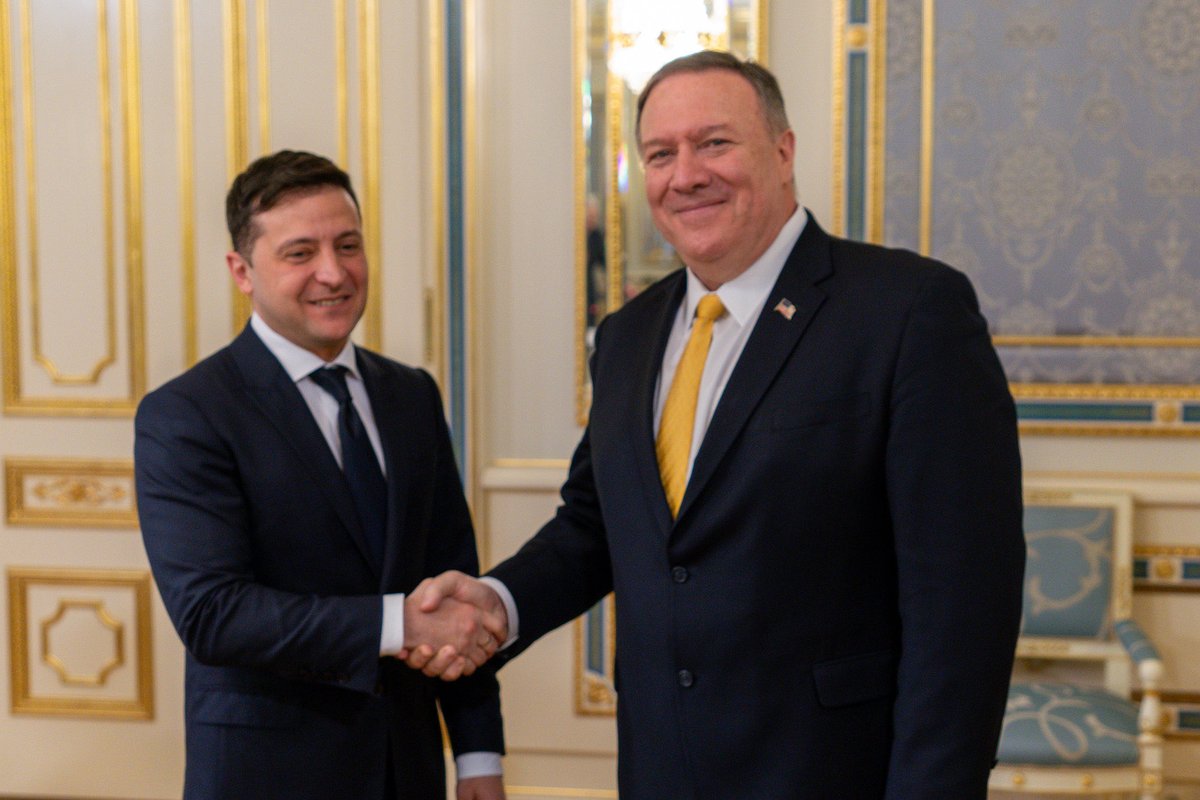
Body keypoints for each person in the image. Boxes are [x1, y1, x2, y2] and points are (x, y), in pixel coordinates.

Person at [409, 52, 1026, 798]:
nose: (686, 175)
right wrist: (499, 604)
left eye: (714, 143)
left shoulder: (908, 311)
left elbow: (963, 603)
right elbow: (597, 525)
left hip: (833, 774)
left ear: (783, 151)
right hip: (662, 771)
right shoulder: (628, 335)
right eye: (660, 154)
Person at [134, 150, 507, 800]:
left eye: (348, 245)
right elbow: (214, 615)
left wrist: (478, 755)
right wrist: (398, 624)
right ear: (242, 271)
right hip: (268, 772)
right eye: (300, 253)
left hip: (407, 767)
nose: (333, 272)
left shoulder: (412, 395)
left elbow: (454, 581)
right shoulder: (187, 414)